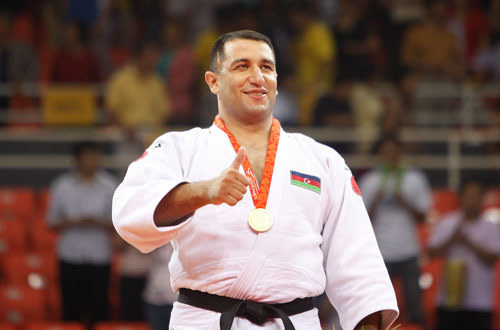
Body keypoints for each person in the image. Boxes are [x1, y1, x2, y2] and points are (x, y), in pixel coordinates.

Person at [113, 30, 398, 330]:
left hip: (296, 321)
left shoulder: (322, 160)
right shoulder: (180, 148)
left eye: (266, 67)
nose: (257, 77)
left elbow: (357, 255)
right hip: (205, 319)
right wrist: (203, 192)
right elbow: (129, 213)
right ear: (213, 81)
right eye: (241, 66)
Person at [359, 136, 431, 326]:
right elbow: (360, 221)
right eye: (386, 151)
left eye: (393, 151)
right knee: (377, 307)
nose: (390, 155)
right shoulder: (370, 180)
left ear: (400, 153)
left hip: (409, 251)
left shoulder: (414, 178)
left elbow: (424, 218)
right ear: (379, 154)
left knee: (415, 308)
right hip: (380, 252)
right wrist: (375, 202)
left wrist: (405, 203)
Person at [46, 142, 117, 325]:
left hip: (100, 255)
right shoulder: (62, 186)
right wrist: (73, 222)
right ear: (77, 160)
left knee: (100, 307)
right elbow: (52, 222)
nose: (91, 161)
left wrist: (99, 222)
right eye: (87, 156)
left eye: (95, 156)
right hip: (70, 255)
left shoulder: (109, 185)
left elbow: (119, 224)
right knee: (71, 308)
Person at [428, 180, 500, 330]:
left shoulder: (491, 226)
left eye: (476, 196)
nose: (472, 201)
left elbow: (492, 259)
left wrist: (468, 242)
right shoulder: (448, 222)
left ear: (482, 198)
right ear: (461, 198)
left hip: (480, 302)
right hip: (449, 300)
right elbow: (431, 252)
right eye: (468, 196)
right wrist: (452, 239)